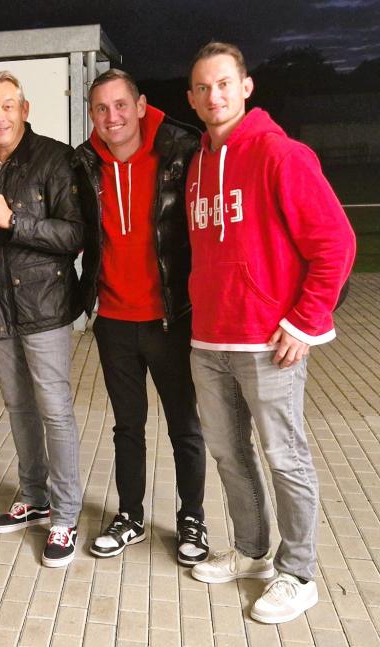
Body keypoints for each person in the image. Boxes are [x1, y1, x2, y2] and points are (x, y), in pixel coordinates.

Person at [184, 42, 355, 624]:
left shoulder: (280, 154)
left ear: (245, 87)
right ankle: (252, 552)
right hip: (209, 340)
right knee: (230, 455)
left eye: (223, 84)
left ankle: (299, 573)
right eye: (202, 88)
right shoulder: (198, 164)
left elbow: (336, 244)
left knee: (284, 457)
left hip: (268, 343)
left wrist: (305, 322)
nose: (214, 96)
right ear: (191, 98)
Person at [72, 69, 209, 564]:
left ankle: (192, 518)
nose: (112, 117)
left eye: (120, 105)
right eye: (101, 108)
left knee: (184, 426)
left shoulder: (181, 150)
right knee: (127, 427)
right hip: (113, 321)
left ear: (141, 105)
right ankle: (130, 516)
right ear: (92, 115)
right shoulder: (84, 162)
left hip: (170, 318)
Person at [0, 71, 84, 567]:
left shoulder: (54, 158)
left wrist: (15, 221)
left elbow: (73, 235)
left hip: (44, 307)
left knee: (54, 410)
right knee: (18, 407)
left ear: (24, 109)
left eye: (7, 106)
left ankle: (65, 516)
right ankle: (34, 497)